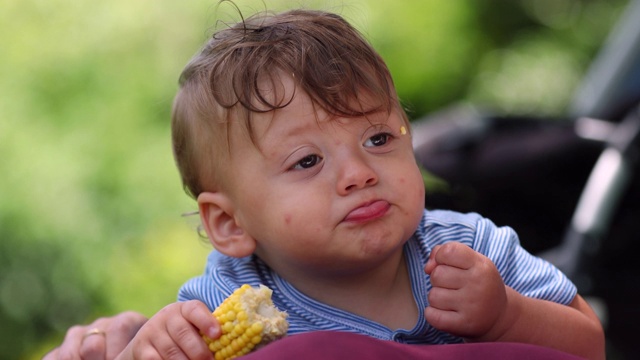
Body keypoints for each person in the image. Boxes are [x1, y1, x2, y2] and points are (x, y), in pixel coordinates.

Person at [44, 6, 605, 360]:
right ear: (230, 223)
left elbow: (591, 344)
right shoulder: (219, 304)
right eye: (308, 162)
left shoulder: (470, 249)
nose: (359, 173)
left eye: (379, 140)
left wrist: (507, 314)